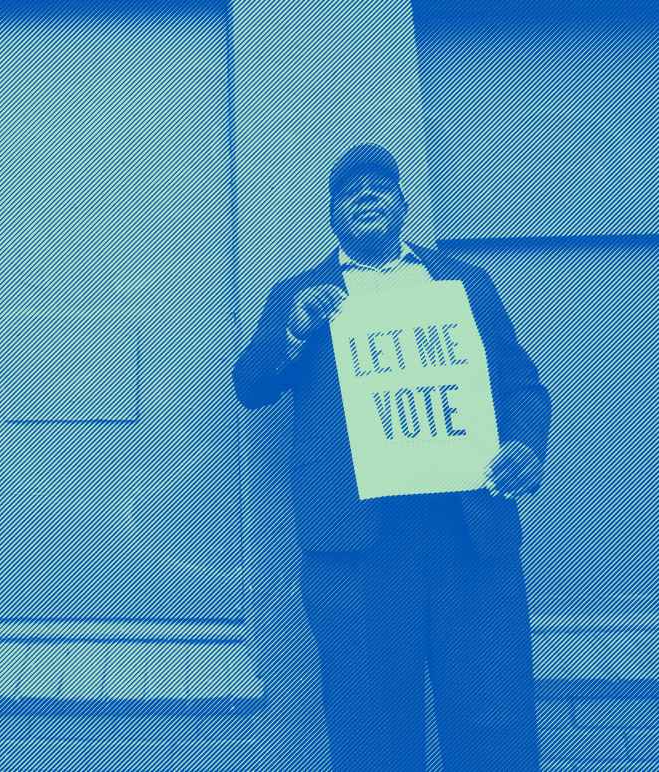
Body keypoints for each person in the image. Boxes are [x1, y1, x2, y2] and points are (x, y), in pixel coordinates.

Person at [232, 144, 551, 771]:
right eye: (352, 190)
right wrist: (293, 329)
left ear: (403, 205)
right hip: (360, 548)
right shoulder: (303, 295)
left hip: (465, 533)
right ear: (334, 217)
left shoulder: (460, 283)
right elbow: (252, 386)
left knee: (493, 718)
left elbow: (518, 383)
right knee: (371, 723)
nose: (368, 196)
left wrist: (522, 446)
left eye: (382, 186)